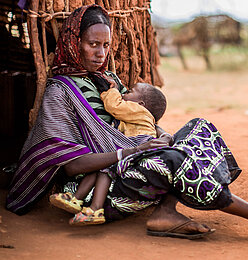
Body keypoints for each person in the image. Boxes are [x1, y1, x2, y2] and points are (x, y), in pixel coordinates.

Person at [6, 4, 248, 242]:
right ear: (75, 41)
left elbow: (130, 123)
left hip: (135, 162)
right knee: (175, 159)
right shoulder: (59, 92)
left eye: (105, 45)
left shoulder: (106, 79)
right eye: (93, 44)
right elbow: (71, 166)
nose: (101, 53)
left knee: (199, 129)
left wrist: (160, 135)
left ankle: (165, 212)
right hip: (100, 190)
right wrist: (129, 153)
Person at [49, 81, 169, 225]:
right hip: (134, 144)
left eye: (130, 92)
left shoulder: (138, 111)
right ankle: (75, 199)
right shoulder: (140, 116)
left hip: (138, 143)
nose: (124, 94)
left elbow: (114, 106)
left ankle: (95, 209)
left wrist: (113, 90)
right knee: (100, 164)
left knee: (106, 168)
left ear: (140, 104)